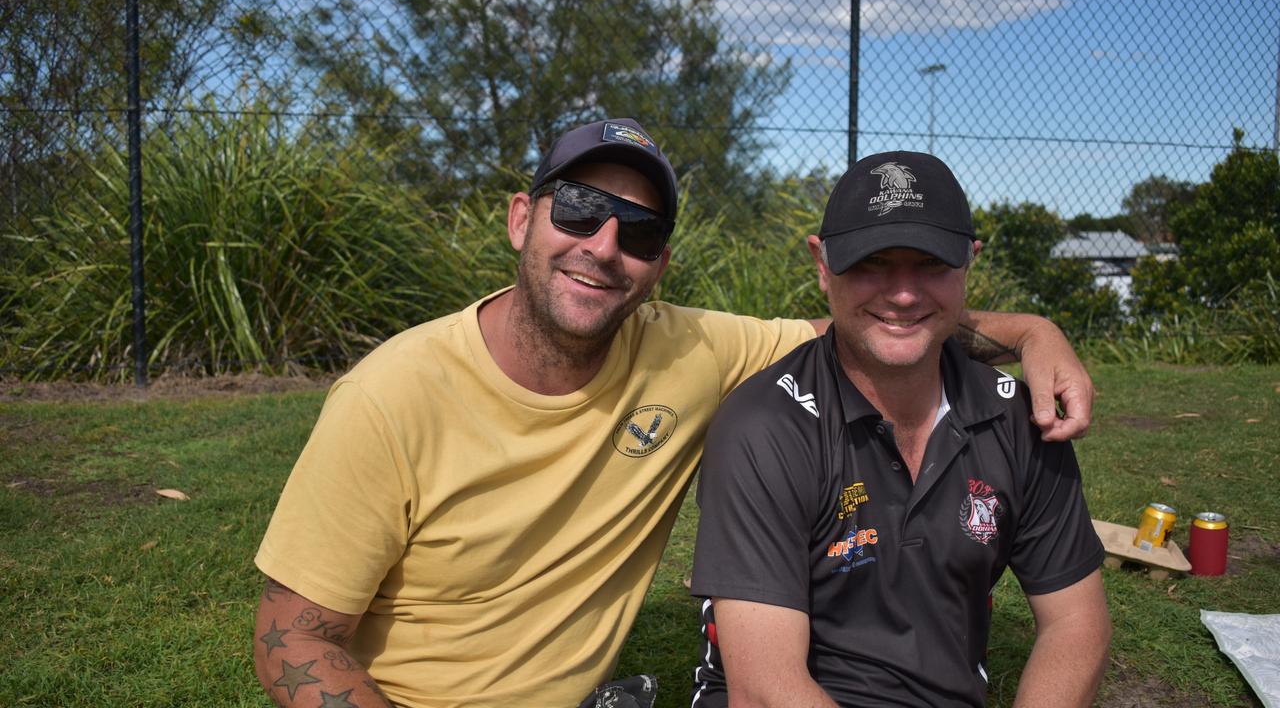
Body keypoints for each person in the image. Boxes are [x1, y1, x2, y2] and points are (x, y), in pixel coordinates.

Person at [252, 119, 1096, 708]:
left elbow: (884, 322)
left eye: (641, 232)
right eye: (579, 209)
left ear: (660, 265)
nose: (604, 247)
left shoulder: (687, 351)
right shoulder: (390, 396)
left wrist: (1033, 332)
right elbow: (290, 641)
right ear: (520, 218)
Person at [688, 150, 1111, 708]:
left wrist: (1038, 331)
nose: (904, 293)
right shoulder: (763, 427)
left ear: (969, 263)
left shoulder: (1017, 416)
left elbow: (1077, 623)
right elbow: (765, 691)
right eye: (872, 262)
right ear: (822, 264)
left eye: (932, 263)